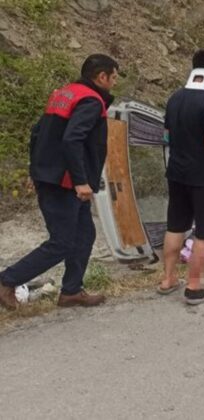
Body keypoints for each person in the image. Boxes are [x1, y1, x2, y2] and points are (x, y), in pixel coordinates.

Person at [0, 54, 119, 310]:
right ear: (101, 77)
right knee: (62, 242)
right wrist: (80, 181)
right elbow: (72, 139)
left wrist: (36, 170)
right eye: (114, 77)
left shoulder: (64, 93)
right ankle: (6, 281)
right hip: (65, 182)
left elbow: (38, 132)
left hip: (52, 176)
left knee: (85, 234)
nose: (114, 82)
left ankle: (71, 291)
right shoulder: (91, 101)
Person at [157, 49, 204, 305]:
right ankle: (194, 287)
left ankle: (167, 280)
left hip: (177, 174)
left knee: (175, 226)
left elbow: (167, 136)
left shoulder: (175, 98)